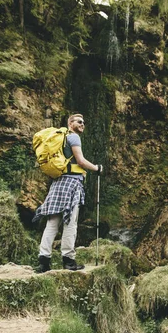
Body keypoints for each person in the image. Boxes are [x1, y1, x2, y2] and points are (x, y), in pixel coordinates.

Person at [33, 114, 102, 273]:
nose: (82, 124)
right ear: (70, 123)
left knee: (52, 224)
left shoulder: (62, 138)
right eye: (79, 121)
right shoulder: (74, 138)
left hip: (57, 183)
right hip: (71, 184)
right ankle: (68, 261)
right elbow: (81, 161)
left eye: (83, 122)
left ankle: (44, 261)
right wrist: (97, 168)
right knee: (70, 223)